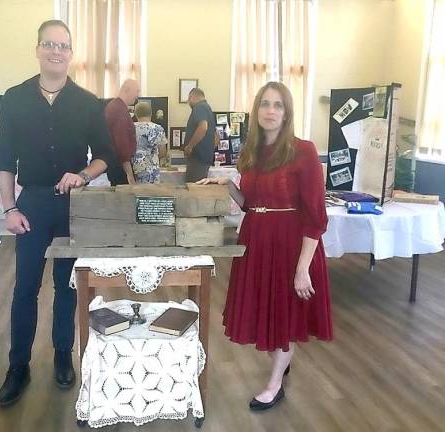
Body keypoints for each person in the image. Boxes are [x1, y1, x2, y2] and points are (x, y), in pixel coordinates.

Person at [0, 20, 112, 407]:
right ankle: (18, 366)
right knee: (25, 289)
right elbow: (3, 160)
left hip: (71, 208)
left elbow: (106, 158)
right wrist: (9, 208)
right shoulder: (14, 98)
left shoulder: (87, 102)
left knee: (68, 286)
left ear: (71, 53)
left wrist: (81, 174)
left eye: (63, 45)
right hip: (30, 205)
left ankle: (63, 354)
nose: (56, 51)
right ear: (38, 48)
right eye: (49, 44)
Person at [198, 82, 332, 411]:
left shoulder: (304, 151)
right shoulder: (252, 154)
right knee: (266, 310)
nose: (271, 111)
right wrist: (228, 184)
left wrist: (303, 269)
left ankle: (275, 384)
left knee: (284, 315)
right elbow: (250, 205)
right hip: (257, 240)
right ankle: (282, 361)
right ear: (256, 111)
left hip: (290, 244)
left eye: (278, 105)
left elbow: (316, 216)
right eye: (265, 104)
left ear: (287, 114)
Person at [104, 79, 140, 185]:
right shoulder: (119, 111)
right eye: (137, 91)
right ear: (127, 90)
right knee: (125, 199)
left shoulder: (115, 106)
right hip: (121, 168)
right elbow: (122, 146)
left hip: (116, 165)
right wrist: (129, 175)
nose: (138, 95)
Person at [183, 87, 216, 182]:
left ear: (192, 97)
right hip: (204, 158)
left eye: (188, 100)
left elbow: (203, 127)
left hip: (197, 159)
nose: (189, 103)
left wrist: (190, 146)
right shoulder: (208, 108)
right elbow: (216, 136)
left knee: (193, 189)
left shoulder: (199, 107)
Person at [132, 102, 168, 183]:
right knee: (152, 194)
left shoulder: (130, 127)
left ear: (136, 114)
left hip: (134, 170)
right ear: (151, 113)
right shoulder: (158, 129)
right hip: (152, 171)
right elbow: (163, 153)